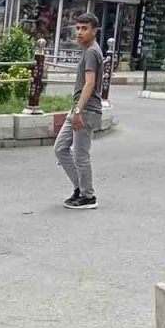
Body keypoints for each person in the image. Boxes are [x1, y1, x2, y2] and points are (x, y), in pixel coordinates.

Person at [55, 12, 104, 211]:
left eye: (84, 28)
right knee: (60, 148)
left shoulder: (92, 52)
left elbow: (90, 84)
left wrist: (78, 111)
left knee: (80, 155)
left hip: (86, 110)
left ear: (94, 31)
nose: (79, 32)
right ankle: (80, 188)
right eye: (77, 28)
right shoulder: (88, 50)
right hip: (79, 108)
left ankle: (87, 196)